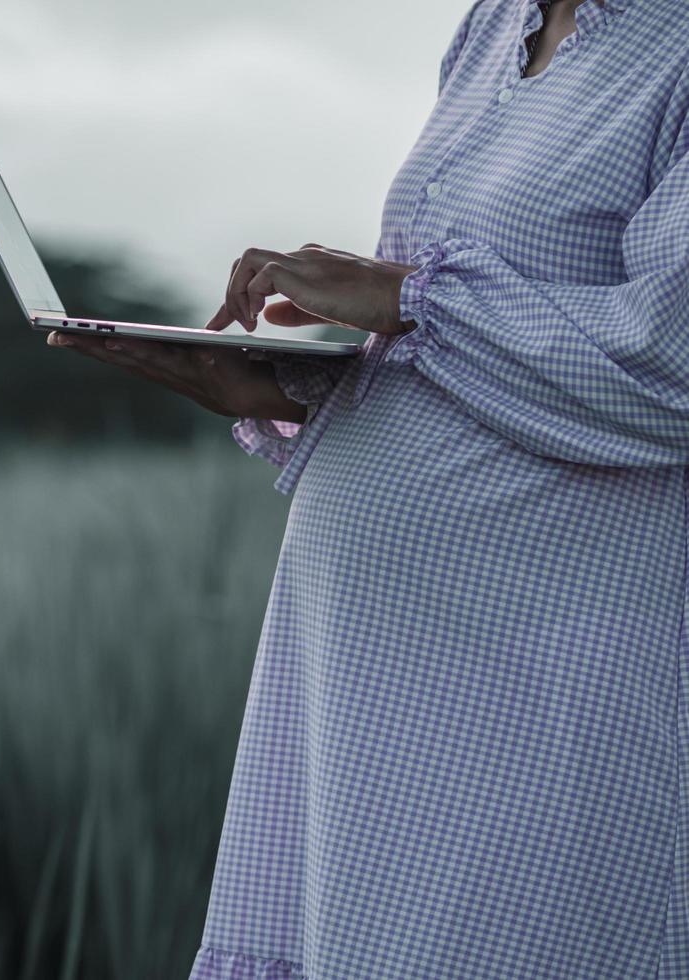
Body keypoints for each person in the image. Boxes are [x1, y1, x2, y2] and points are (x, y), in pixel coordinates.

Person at [53, 0, 689, 975]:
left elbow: (671, 370)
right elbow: (470, 361)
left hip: (537, 667)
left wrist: (403, 295)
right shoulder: (491, 27)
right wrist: (280, 382)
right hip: (366, 674)